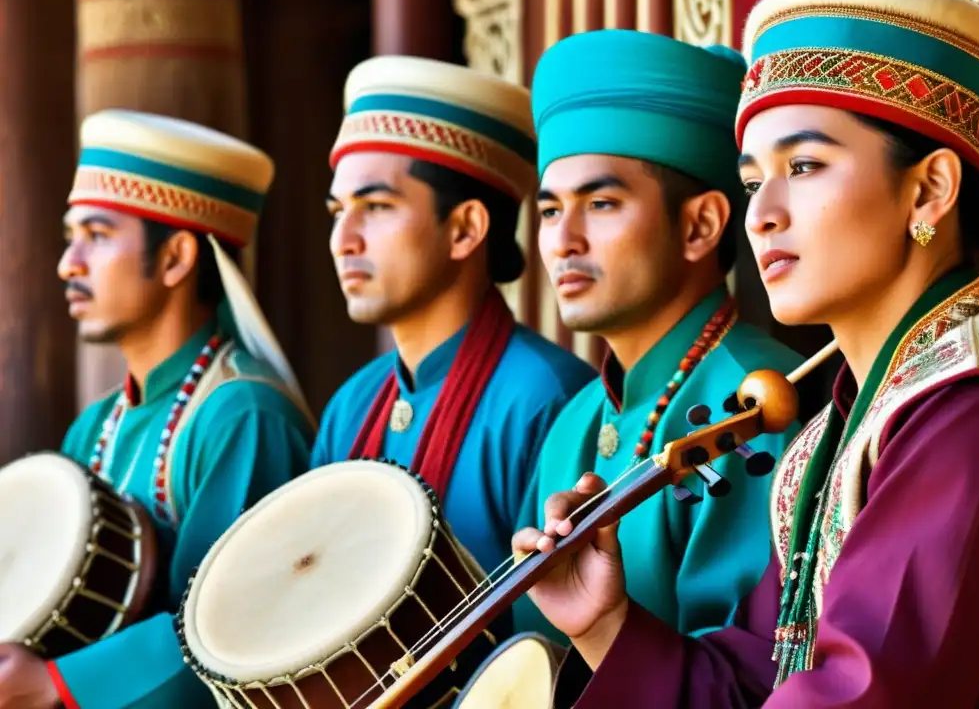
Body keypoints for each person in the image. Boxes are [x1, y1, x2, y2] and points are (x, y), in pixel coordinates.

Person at [513, 0, 979, 707]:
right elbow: (758, 679)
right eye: (754, 183)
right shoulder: (837, 433)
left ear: (929, 191)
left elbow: (865, 693)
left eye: (805, 166)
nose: (764, 216)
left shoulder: (969, 410)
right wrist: (605, 624)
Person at [0, 110, 316, 709]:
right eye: (72, 237)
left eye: (95, 235)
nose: (69, 262)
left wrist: (55, 686)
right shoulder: (93, 428)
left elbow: (227, 631)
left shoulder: (243, 416)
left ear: (175, 258)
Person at [511, 30, 804, 647]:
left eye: (602, 203)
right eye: (548, 211)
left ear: (700, 225)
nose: (563, 239)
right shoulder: (573, 422)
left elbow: (740, 677)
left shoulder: (762, 402)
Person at [313, 55, 596, 577]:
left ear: (465, 228)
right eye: (337, 212)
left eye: (375, 207)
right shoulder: (349, 406)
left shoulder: (545, 399)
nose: (343, 240)